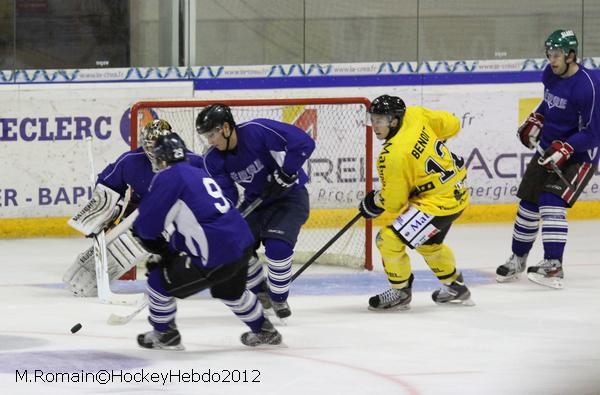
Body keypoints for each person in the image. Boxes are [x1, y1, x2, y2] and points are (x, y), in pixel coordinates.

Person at [133, 133, 282, 349]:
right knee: (230, 291)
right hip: (242, 243)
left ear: (162, 159)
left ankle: (165, 335)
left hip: (217, 252)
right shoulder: (197, 173)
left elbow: (146, 228)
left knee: (157, 282)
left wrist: (161, 253)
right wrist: (170, 251)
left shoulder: (168, 177)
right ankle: (264, 330)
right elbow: (197, 221)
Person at [64, 119, 237, 296]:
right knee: (120, 246)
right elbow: (108, 184)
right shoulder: (131, 161)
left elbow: (219, 189)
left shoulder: (192, 162)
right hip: (144, 210)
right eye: (150, 144)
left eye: (158, 144)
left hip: (180, 215)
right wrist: (103, 213)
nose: (154, 150)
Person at [496, 29, 600, 289]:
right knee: (528, 203)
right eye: (549, 54)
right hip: (547, 149)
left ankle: (553, 265)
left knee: (550, 200)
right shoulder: (549, 75)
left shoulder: (588, 87)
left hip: (580, 156)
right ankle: (519, 258)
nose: (552, 60)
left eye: (557, 55)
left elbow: (593, 133)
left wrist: (566, 147)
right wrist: (537, 117)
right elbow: (548, 104)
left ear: (572, 55)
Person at [196, 104, 316, 320]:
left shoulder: (257, 130)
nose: (210, 141)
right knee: (236, 244)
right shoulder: (213, 159)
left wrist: (286, 173)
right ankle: (260, 291)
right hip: (256, 203)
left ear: (225, 127)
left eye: (212, 134)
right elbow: (227, 195)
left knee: (278, 247)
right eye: (207, 136)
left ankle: (278, 298)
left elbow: (304, 142)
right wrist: (222, 221)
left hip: (290, 198)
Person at [359, 95, 473, 311]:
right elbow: (453, 124)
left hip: (437, 203)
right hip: (458, 191)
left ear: (394, 121)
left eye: (380, 120)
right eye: (372, 119)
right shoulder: (415, 114)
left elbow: (394, 203)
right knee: (428, 243)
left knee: (388, 240)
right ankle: (455, 286)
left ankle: (400, 292)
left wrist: (374, 201)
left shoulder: (392, 155)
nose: (374, 126)